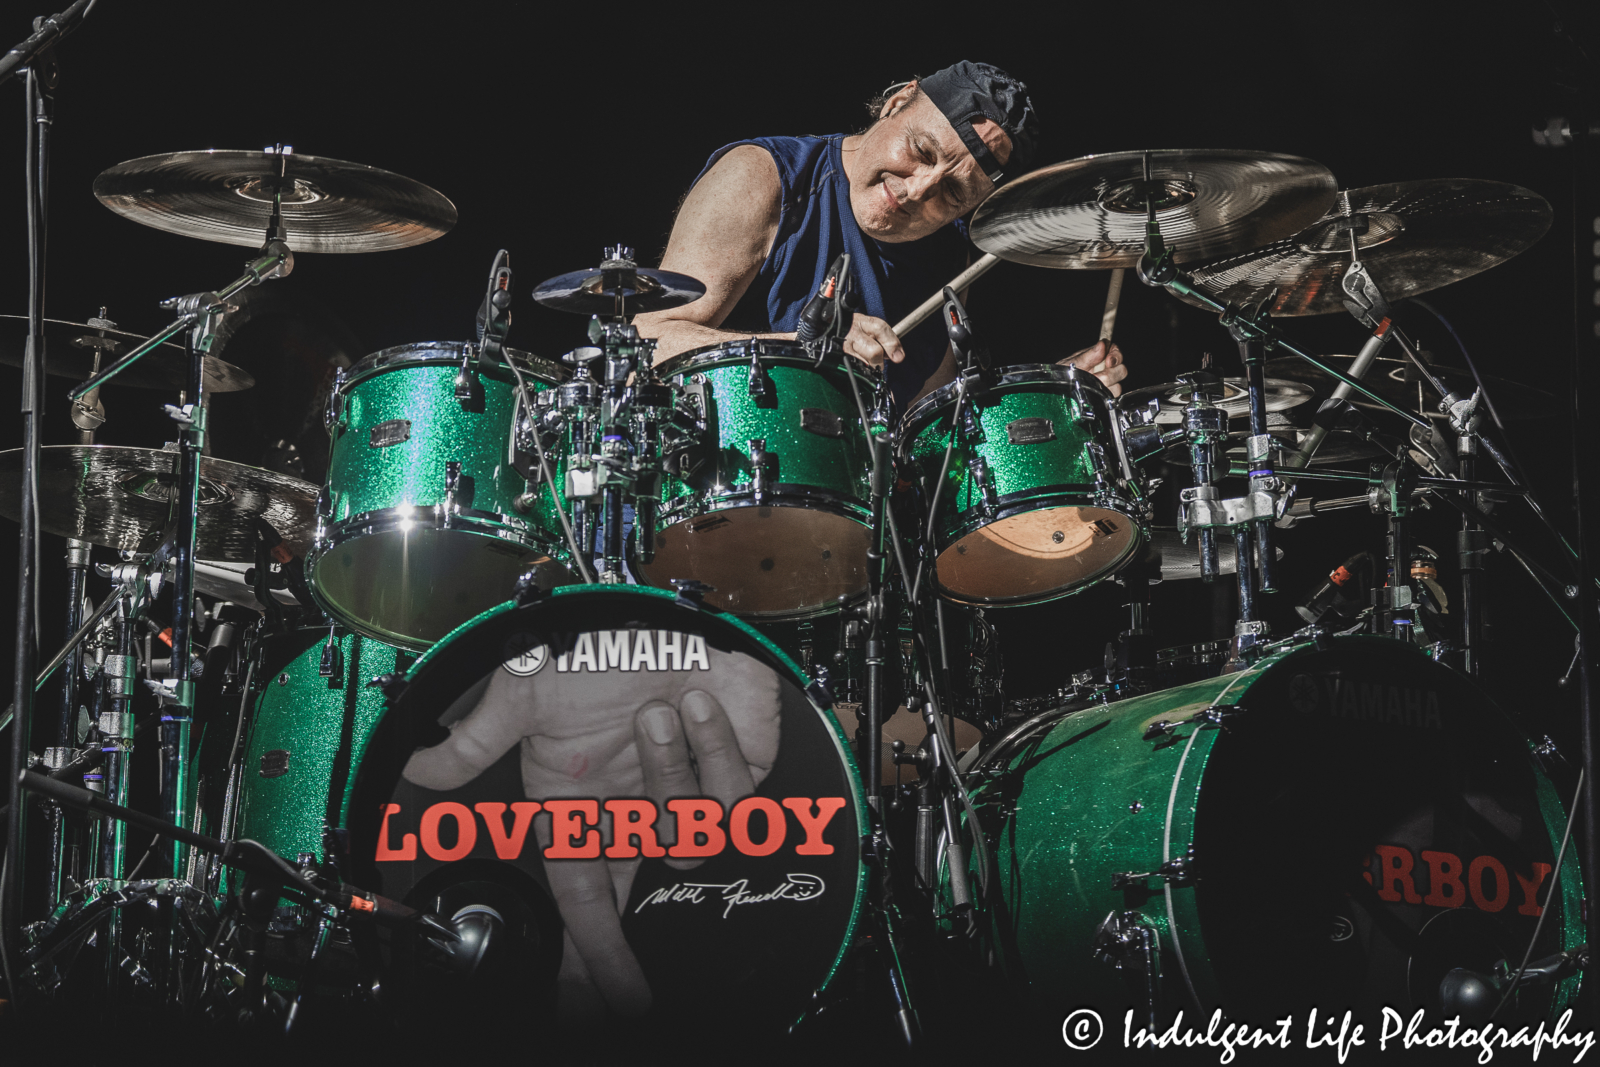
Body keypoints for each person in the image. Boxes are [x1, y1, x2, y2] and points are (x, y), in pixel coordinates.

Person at [634, 60, 1128, 411]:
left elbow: (925, 419)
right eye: (921, 150)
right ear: (896, 102)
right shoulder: (764, 177)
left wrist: (1049, 393)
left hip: (852, 527)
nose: (918, 189)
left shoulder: (953, 254)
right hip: (708, 497)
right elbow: (647, 340)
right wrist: (802, 351)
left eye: (954, 192)